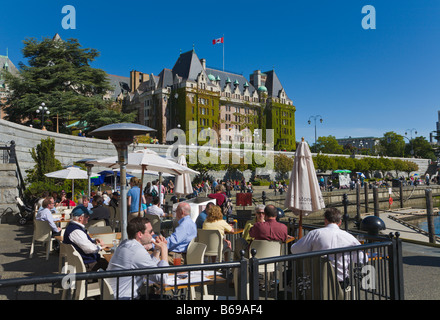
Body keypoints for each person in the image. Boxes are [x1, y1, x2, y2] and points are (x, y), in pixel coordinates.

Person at [290, 207, 366, 285]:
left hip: (318, 281)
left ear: (325, 221)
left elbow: (295, 250)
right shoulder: (349, 237)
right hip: (340, 282)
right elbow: (362, 259)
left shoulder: (315, 234)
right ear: (340, 222)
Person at [107, 217, 169, 299]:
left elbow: (149, 266)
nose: (153, 233)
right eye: (150, 232)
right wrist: (164, 249)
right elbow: (162, 278)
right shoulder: (137, 251)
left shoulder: (124, 244)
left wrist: (157, 249)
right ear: (140, 234)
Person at [63, 205, 109, 272]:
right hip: (87, 264)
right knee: (113, 265)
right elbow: (89, 249)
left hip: (84, 261)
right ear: (81, 218)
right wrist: (101, 247)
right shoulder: (76, 231)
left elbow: (81, 242)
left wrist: (93, 240)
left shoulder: (73, 228)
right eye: (87, 216)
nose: (88, 217)